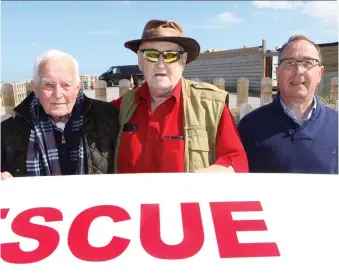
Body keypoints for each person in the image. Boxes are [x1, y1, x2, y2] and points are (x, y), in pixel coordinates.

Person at [111, 19, 248, 173]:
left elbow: (236, 160)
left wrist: (215, 173)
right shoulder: (120, 108)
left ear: (183, 61)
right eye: (151, 55)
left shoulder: (211, 105)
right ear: (140, 61)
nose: (161, 64)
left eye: (170, 55)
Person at [1, 49, 119, 179]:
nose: (57, 95)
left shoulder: (107, 118)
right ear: (35, 87)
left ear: (77, 86)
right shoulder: (8, 131)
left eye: (66, 85)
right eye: (48, 85)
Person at [238, 35, 338, 174]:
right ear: (277, 72)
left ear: (320, 73)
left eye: (308, 62)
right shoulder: (250, 127)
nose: (299, 70)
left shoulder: (336, 125)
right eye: (290, 62)